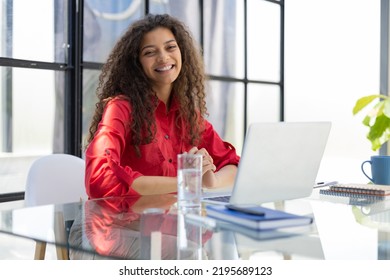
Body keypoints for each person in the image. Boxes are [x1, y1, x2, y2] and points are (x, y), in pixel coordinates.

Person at [84, 14, 240, 199]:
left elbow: (235, 166)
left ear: (182, 52)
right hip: (127, 224)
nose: (163, 57)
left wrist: (210, 181)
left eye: (170, 47)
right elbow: (100, 179)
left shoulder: (188, 115)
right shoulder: (121, 108)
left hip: (177, 223)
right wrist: (187, 181)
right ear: (136, 63)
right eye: (150, 52)